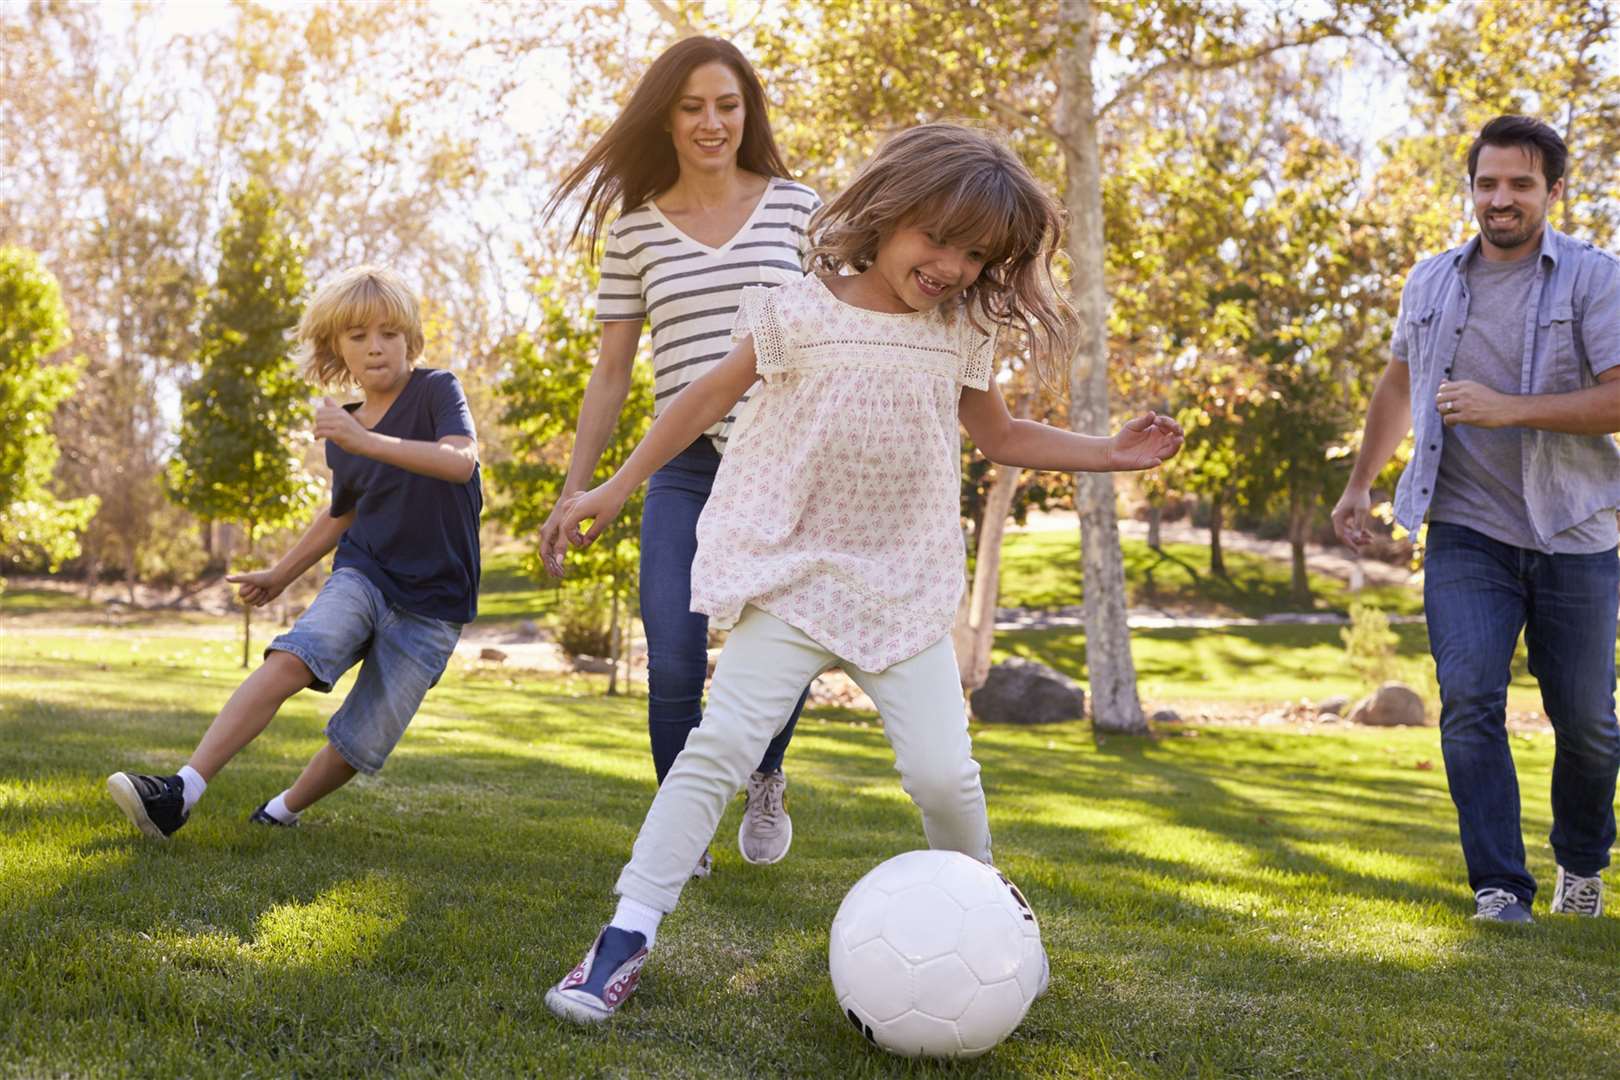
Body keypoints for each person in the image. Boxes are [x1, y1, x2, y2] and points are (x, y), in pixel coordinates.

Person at [542, 123, 1185, 1023]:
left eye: (976, 254)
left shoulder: (960, 332)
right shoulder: (793, 308)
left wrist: (1108, 454)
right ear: (886, 214)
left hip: (903, 583)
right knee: (720, 746)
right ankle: (625, 936)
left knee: (944, 778)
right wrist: (613, 487)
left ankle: (995, 925)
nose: (954, 266)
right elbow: (703, 399)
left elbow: (999, 437)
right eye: (938, 239)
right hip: (798, 571)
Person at [539, 36, 821, 874]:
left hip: (783, 464)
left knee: (782, 643)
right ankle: (682, 831)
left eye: (727, 105)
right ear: (666, 118)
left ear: (748, 113)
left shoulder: (800, 209)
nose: (712, 123)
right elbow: (613, 373)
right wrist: (577, 487)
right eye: (693, 107)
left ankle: (766, 774)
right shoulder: (634, 236)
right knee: (672, 649)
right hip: (684, 465)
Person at [1332, 115, 1620, 922]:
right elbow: (1397, 387)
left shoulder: (1596, 280)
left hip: (1577, 532)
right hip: (1464, 530)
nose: (1501, 199)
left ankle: (1582, 861)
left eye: (1521, 184)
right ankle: (1499, 886)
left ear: (1554, 192)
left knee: (1590, 724)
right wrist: (1361, 485)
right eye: (1488, 183)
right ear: (1472, 188)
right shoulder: (1429, 280)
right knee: (1467, 699)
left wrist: (1508, 410)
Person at [106, 266, 481, 837]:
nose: (375, 347)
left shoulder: (435, 391)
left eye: (388, 332)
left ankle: (283, 809)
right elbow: (344, 513)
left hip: (436, 604)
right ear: (337, 349)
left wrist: (363, 440)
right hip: (366, 574)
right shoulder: (347, 428)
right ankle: (181, 792)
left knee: (362, 736)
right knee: (296, 654)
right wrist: (282, 573)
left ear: (411, 337)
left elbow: (460, 462)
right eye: (357, 336)